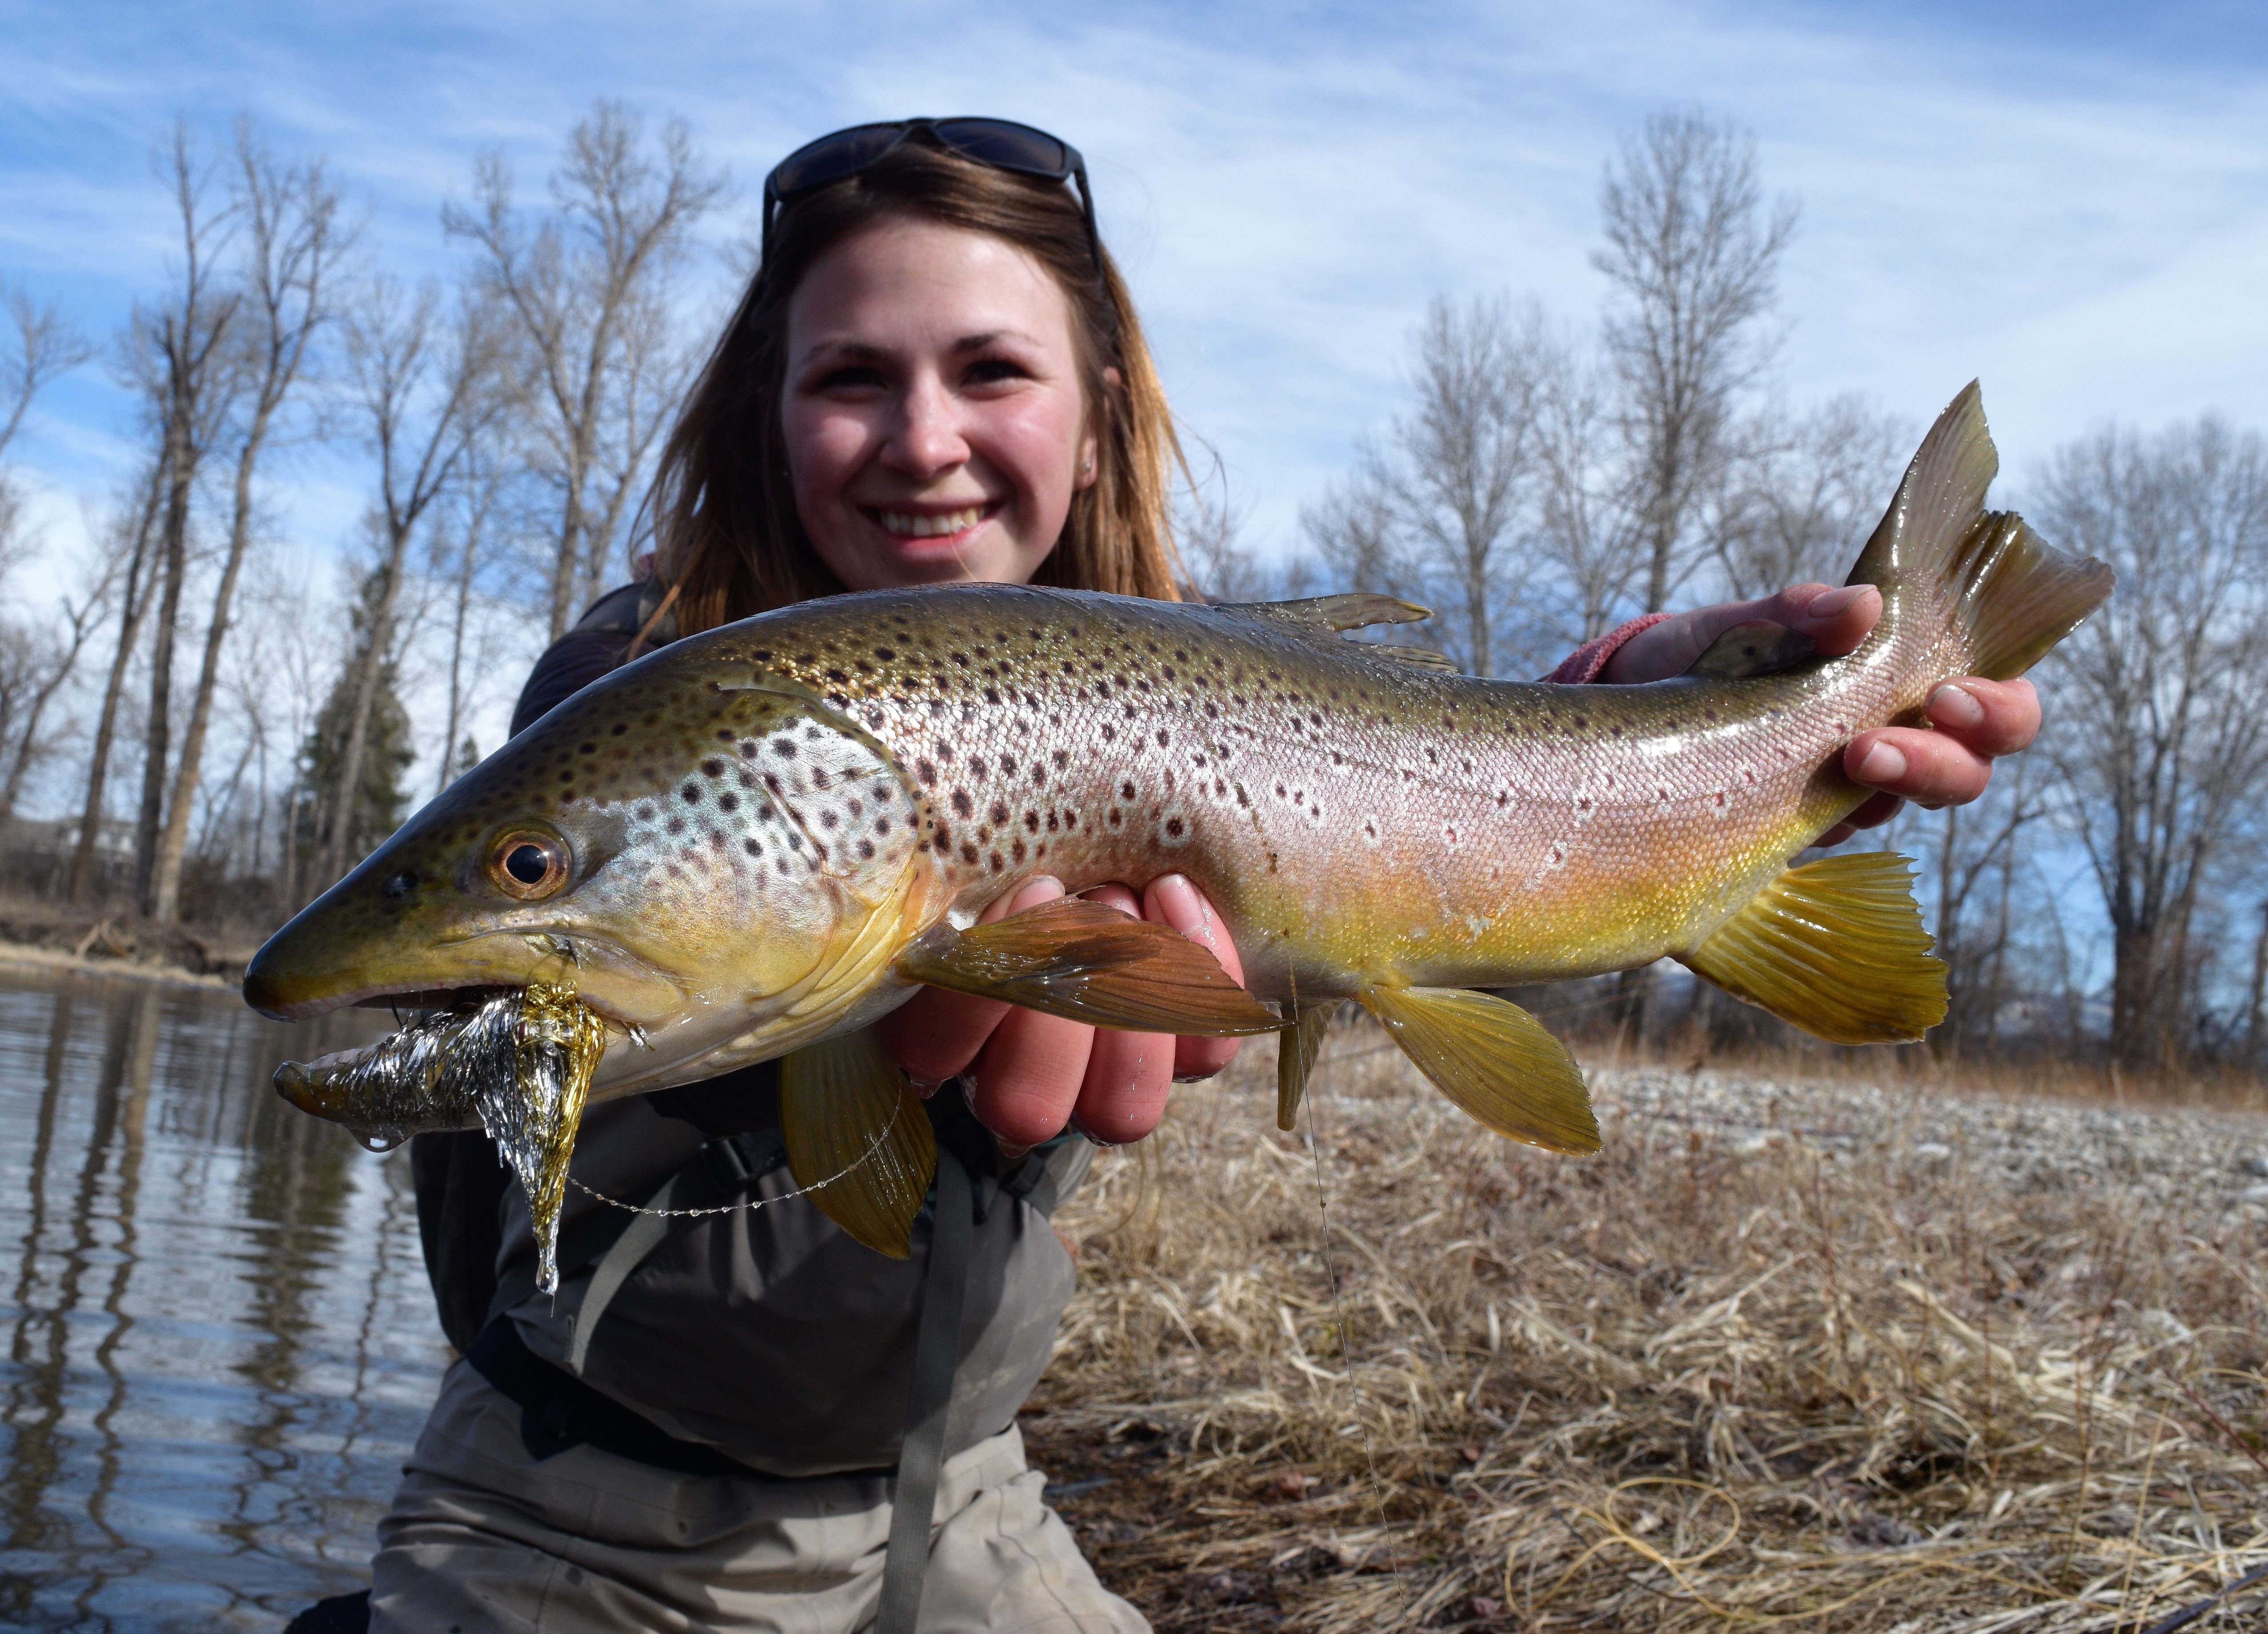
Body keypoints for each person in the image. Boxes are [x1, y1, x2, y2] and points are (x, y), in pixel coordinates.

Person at [317, 119, 2039, 1634]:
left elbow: (1414, 784)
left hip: (957, 1488)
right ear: (765, 418)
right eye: (851, 376)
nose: (922, 437)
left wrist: (1653, 708)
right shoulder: (628, 694)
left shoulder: (1191, 678)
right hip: (578, 1515)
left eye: (989, 370)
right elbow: (494, 1249)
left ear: (1094, 420)